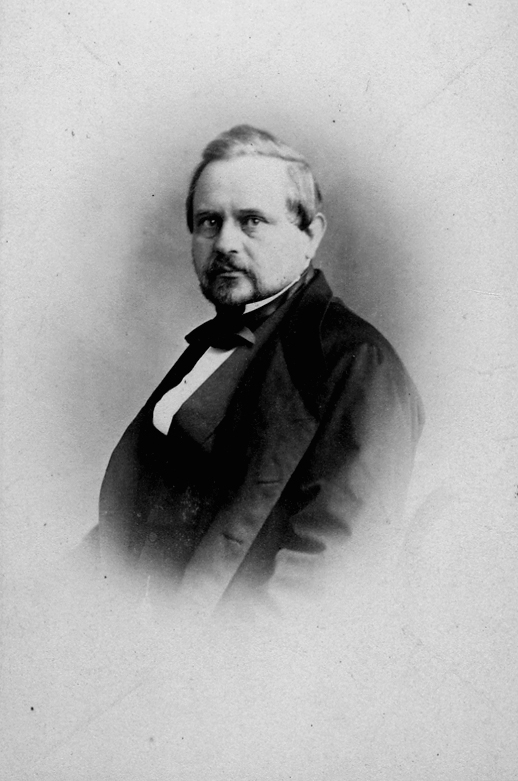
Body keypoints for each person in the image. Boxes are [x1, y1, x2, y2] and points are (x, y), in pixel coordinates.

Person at [98, 125, 424, 616]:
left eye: (251, 221)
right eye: (209, 222)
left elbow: (322, 586)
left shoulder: (358, 364)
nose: (224, 243)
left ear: (310, 235)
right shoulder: (212, 344)